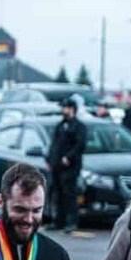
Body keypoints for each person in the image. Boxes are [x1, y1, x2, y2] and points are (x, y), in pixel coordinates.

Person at [46, 97, 86, 231]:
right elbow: (54, 145)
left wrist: (69, 157)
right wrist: (49, 159)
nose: (63, 110)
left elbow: (80, 145)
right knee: (58, 194)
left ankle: (71, 222)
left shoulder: (79, 127)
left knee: (69, 194)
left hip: (70, 166)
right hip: (57, 165)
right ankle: (58, 221)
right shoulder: (60, 126)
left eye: (66, 108)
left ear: (72, 109)